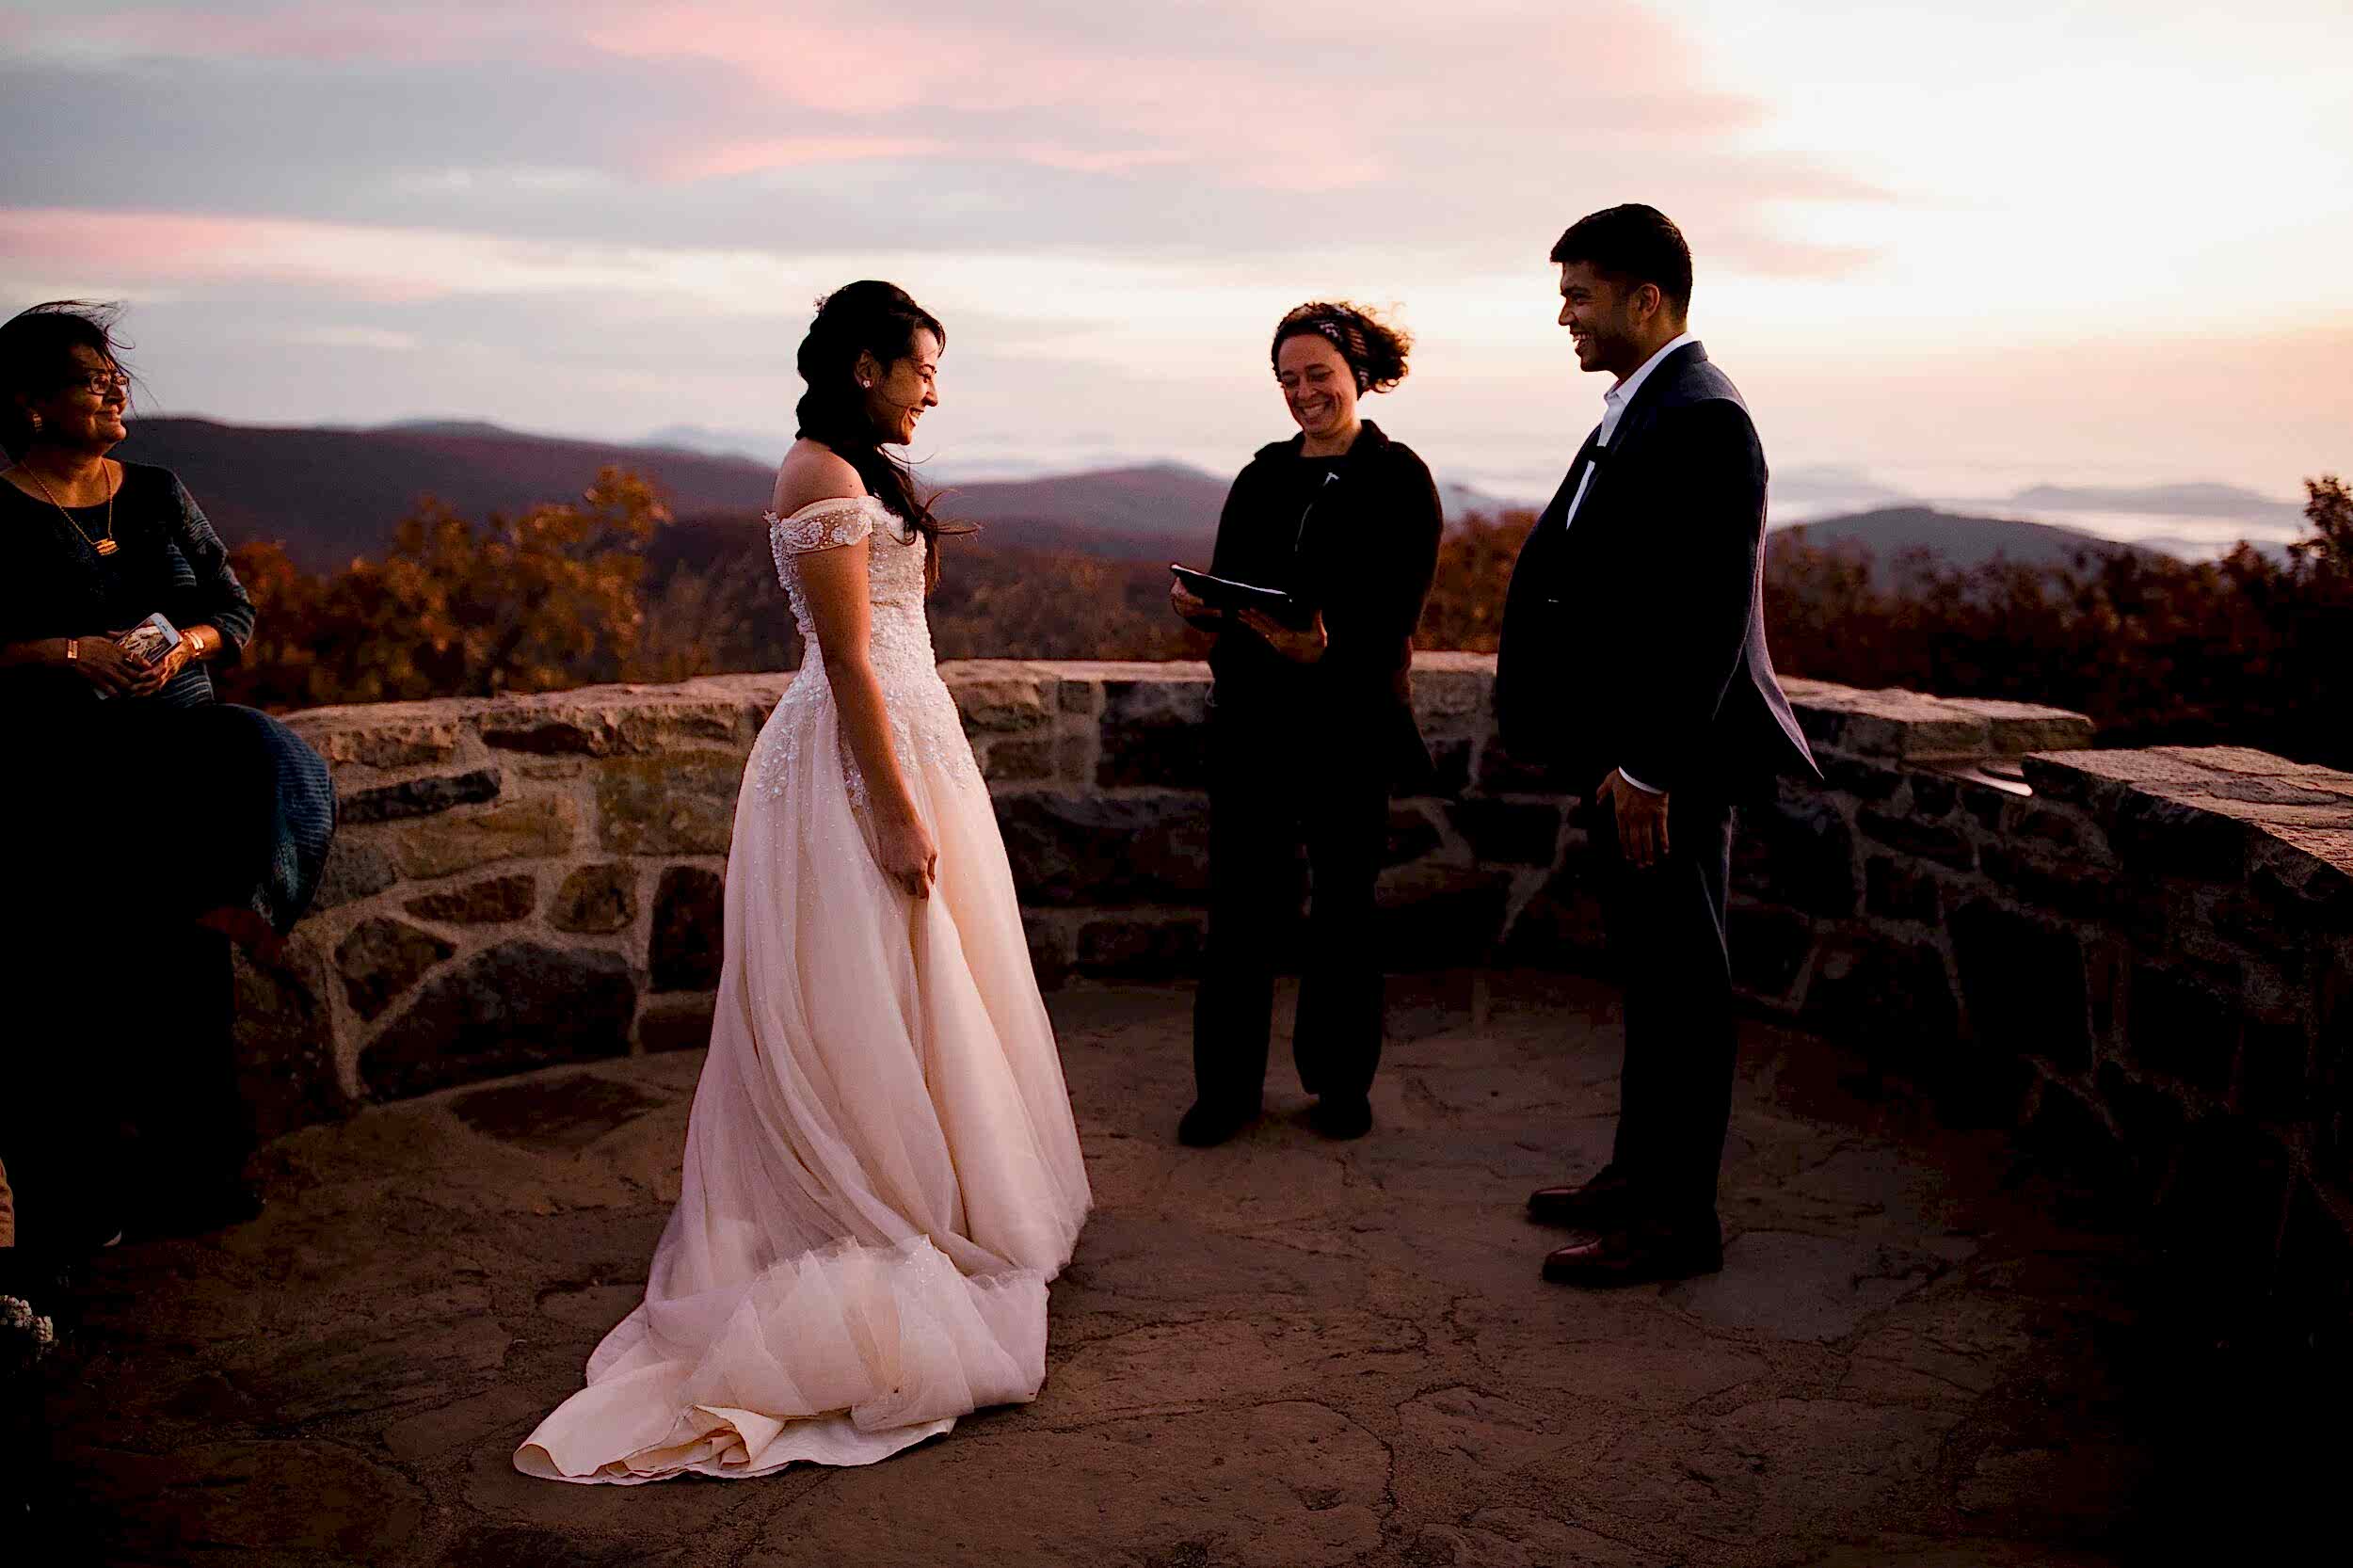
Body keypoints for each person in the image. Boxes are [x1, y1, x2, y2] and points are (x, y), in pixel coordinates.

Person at [518, 282, 1091, 1483]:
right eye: (923, 369)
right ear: (869, 367)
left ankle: (956, 1183)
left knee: (932, 976)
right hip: (854, 757)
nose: (934, 390)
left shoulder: (863, 475)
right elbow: (843, 660)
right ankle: (869, 1194)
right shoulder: (819, 477)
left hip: (909, 732)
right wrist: (893, 803)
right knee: (864, 977)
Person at [1494, 206, 1819, 1287]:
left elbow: (1708, 617)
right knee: (1652, 978)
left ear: (1646, 299)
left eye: (1578, 295)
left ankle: (1677, 1224)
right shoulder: (1639, 409)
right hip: (1626, 759)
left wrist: (1647, 767)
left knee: (1685, 987)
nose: (1563, 316)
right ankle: (1638, 1174)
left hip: (1664, 771)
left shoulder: (1703, 416)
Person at [0, 301, 334, 1256]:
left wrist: (173, 644)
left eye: (114, 372)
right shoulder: (1, 513)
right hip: (67, 774)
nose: (114, 388)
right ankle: (85, 1199)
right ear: (29, 402)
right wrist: (71, 653)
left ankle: (199, 1175)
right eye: (87, 375)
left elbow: (230, 608)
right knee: (82, 988)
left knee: (194, 955)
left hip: (179, 755)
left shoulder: (152, 490)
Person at [1170, 302, 1442, 1147]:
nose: (1301, 393)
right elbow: (1236, 587)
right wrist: (1204, 607)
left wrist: (1321, 649)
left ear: (1359, 373)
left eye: (1316, 374)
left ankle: (1340, 1085)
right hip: (1253, 723)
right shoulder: (1259, 476)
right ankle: (1226, 1092)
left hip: (1350, 724)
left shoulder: (1399, 479)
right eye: (1287, 380)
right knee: (1240, 909)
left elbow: (1397, 614)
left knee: (1344, 911)